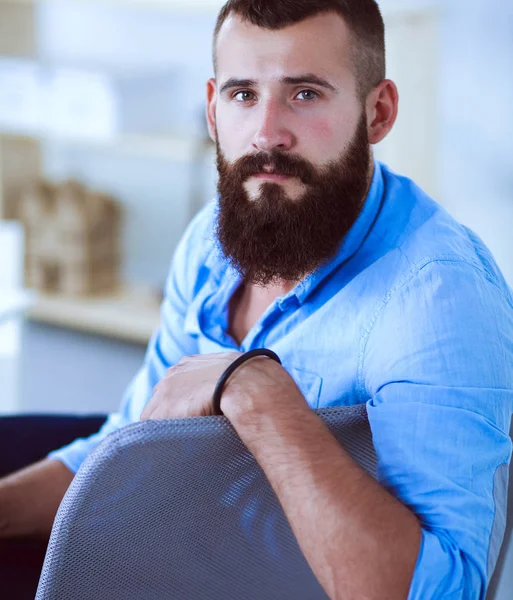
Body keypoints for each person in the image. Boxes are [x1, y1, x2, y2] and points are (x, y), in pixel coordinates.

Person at [1, 0, 512, 598]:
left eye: (305, 94)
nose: (268, 133)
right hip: (192, 530)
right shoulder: (212, 237)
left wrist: (257, 392)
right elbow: (128, 437)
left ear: (378, 112)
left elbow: (448, 589)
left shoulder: (436, 298)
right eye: (244, 95)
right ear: (214, 109)